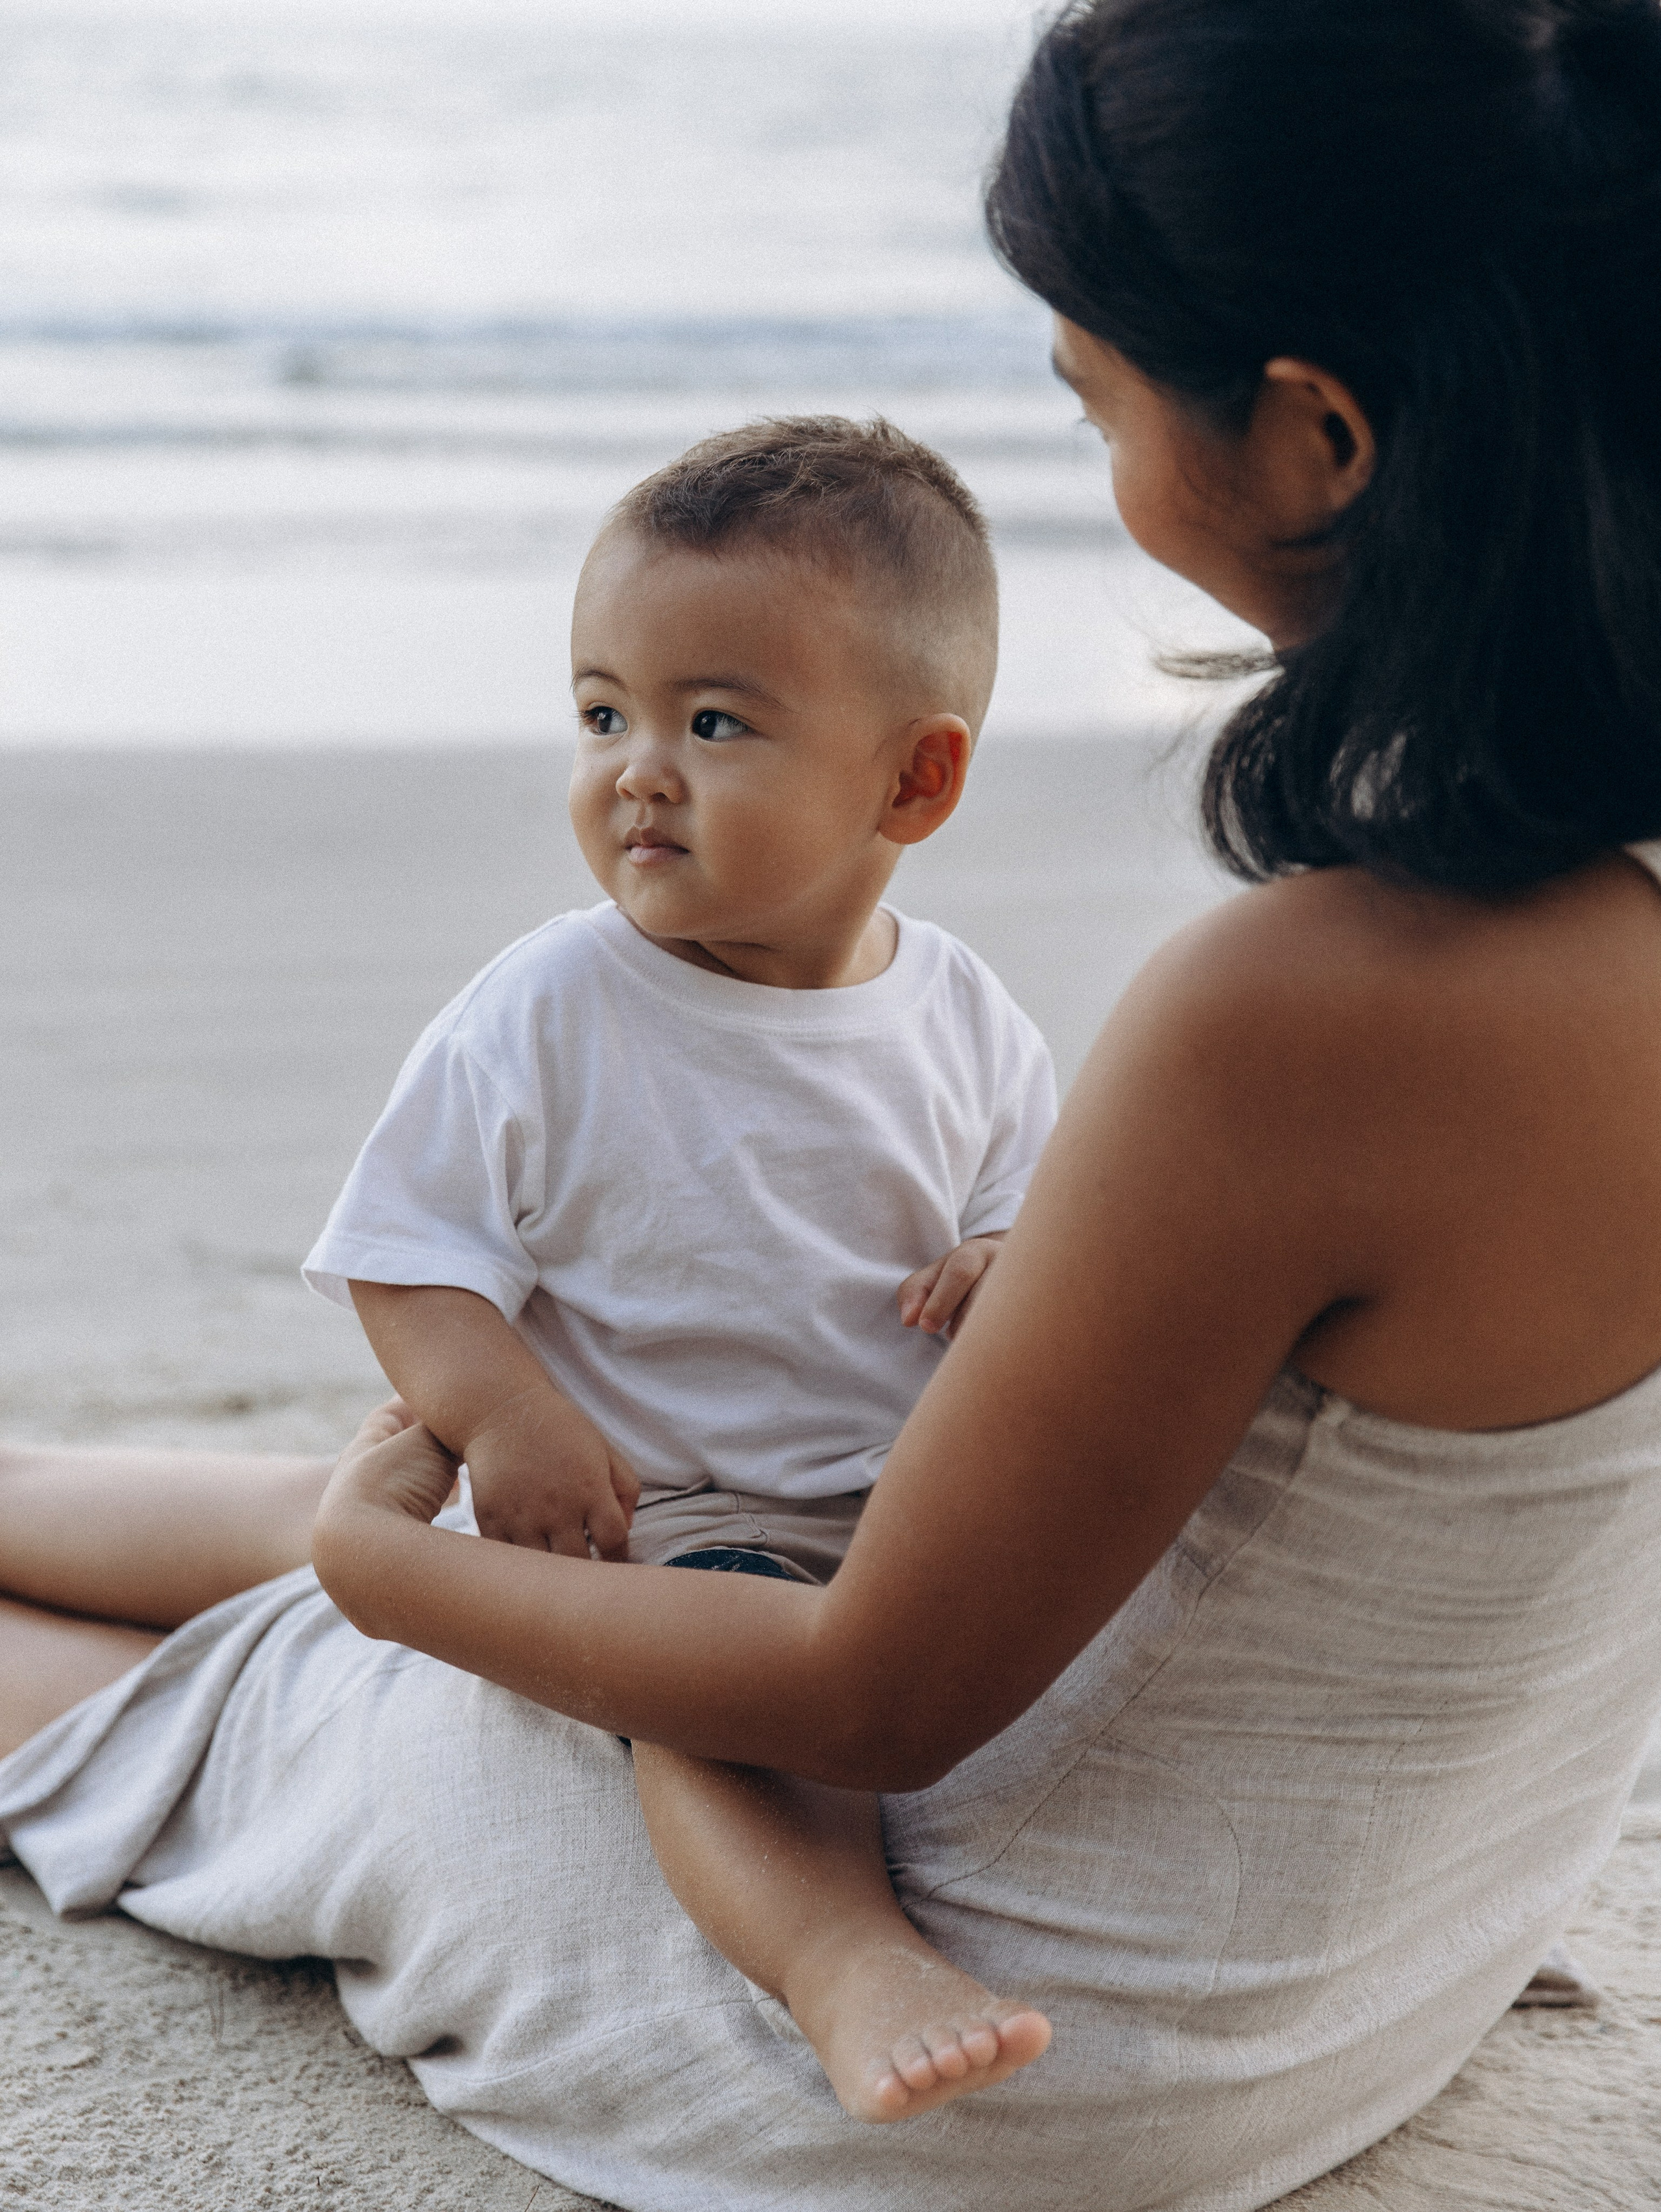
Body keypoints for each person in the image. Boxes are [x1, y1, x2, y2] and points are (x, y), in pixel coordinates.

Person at [6, 3, 1661, 2207]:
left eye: (1091, 394)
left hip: (1026, 2010)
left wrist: (377, 1575)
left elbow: (860, 1693)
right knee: (408, 1525)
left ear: (1314, 434)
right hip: (1366, 1963)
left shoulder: (1301, 1019)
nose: (1090, 452)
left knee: (295, 1638)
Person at [300, 414, 1058, 2121]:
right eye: (602, 713)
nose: (636, 768)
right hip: (670, 1515)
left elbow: (1037, 1211)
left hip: (907, 1504)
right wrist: (505, 1419)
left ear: (911, 781)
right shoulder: (551, 1007)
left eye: (713, 722)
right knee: (719, 1706)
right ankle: (839, 1954)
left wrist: (1008, 1251)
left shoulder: (962, 1016)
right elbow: (404, 1259)